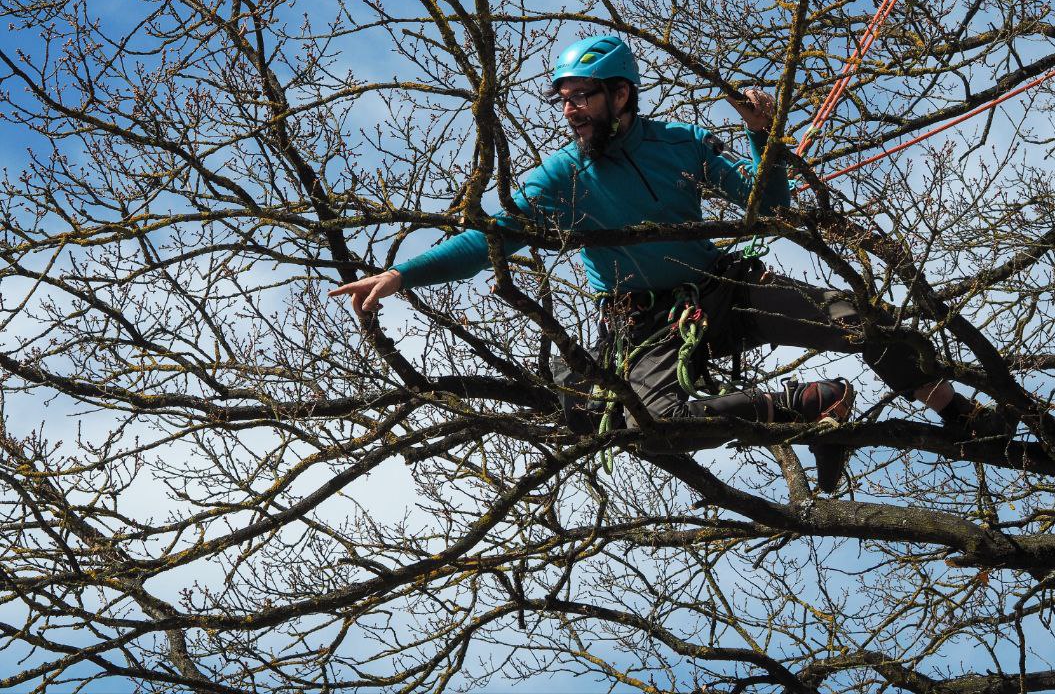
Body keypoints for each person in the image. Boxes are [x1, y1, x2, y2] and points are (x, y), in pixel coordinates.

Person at [331, 35, 1009, 493]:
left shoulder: (682, 143)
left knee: (866, 320)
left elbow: (764, 206)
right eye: (563, 99)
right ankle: (807, 407)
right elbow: (492, 239)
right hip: (644, 320)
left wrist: (761, 137)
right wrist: (403, 274)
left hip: (720, 286)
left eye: (583, 96)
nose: (571, 110)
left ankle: (960, 413)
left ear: (621, 94)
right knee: (653, 432)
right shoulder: (561, 177)